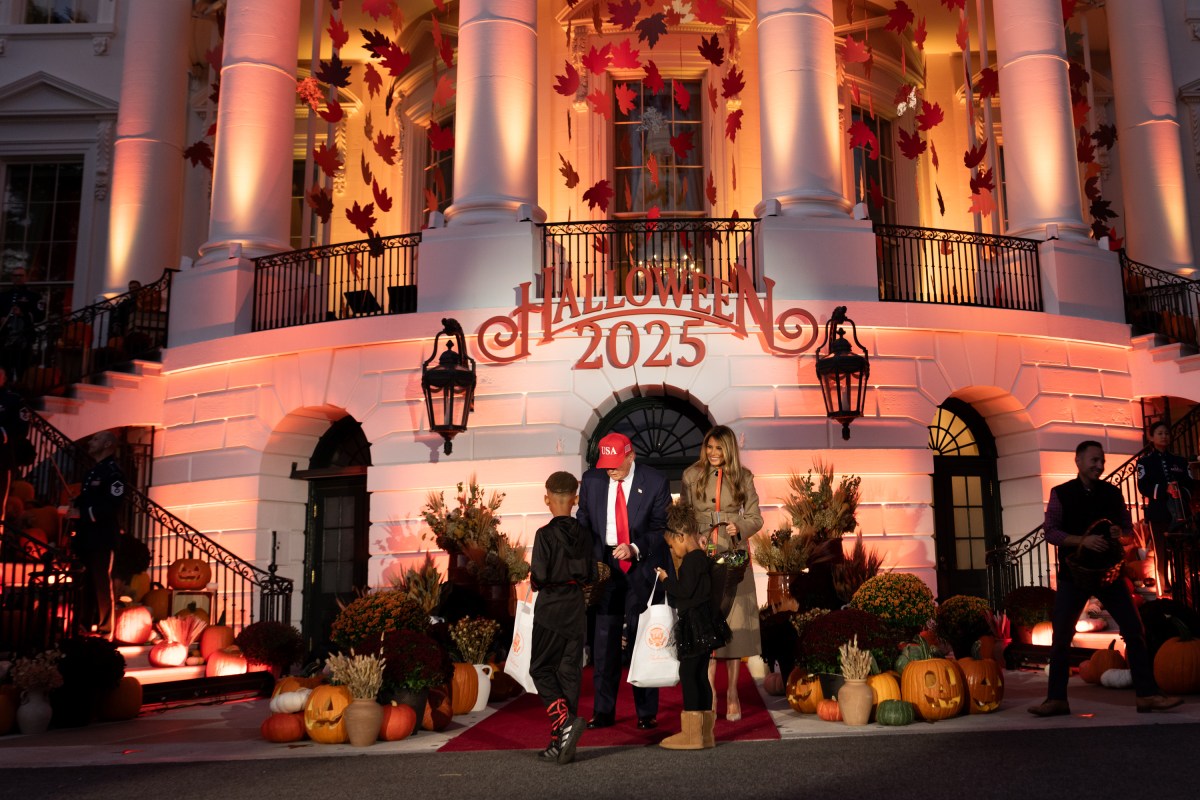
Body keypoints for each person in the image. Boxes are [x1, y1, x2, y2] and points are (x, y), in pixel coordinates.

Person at [1028, 440, 1182, 717]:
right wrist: (1082, 541)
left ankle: (1147, 695)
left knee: (1135, 630)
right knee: (1061, 635)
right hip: (1073, 574)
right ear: (1078, 461)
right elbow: (1050, 532)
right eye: (1094, 460)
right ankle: (1056, 699)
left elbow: (1125, 529)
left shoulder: (1111, 493)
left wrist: (1118, 534)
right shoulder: (1061, 493)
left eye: (1102, 461)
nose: (1099, 465)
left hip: (1109, 573)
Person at [578, 431, 671, 730]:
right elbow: (583, 522)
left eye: (616, 463)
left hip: (639, 568)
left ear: (632, 456)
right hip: (605, 568)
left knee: (641, 640)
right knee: (603, 640)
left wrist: (635, 548)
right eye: (605, 463)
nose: (610, 469)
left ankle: (646, 712)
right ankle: (603, 711)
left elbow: (661, 529)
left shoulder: (655, 482)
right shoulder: (592, 481)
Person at [681, 425, 763, 722]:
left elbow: (755, 517)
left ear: (729, 449)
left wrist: (738, 527)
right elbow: (685, 515)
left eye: (719, 448)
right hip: (703, 554)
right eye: (709, 447)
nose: (713, 454)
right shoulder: (691, 475)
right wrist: (694, 536)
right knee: (706, 624)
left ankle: (732, 693)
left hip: (733, 553)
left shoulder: (744, 476)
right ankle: (711, 693)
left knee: (735, 626)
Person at [529, 470, 596, 765]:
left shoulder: (544, 535)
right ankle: (562, 743)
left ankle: (565, 723)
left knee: (541, 669)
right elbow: (592, 573)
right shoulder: (585, 534)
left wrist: (534, 580)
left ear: (547, 499)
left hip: (550, 608)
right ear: (576, 499)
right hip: (575, 607)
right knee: (569, 672)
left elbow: (540, 577)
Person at [655, 502, 731, 750]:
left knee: (689, 674)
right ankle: (704, 732)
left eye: (671, 545)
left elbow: (684, 590)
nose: (673, 551)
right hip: (704, 623)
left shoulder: (691, 561)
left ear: (680, 536)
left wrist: (666, 580)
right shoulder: (701, 559)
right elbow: (691, 594)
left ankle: (691, 733)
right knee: (699, 674)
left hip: (696, 625)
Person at [69, 430, 126, 637]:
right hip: (87, 536)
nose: (90, 442)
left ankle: (105, 630)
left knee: (102, 583)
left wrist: (83, 512)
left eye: (95, 439)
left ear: (107, 444)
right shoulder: (94, 472)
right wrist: (75, 506)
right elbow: (89, 500)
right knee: (87, 582)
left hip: (102, 537)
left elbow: (111, 505)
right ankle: (84, 625)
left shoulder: (113, 473)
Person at [1136, 420, 1194, 592]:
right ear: (1151, 437)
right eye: (1160, 433)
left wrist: (1180, 492)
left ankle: (1185, 585)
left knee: (1183, 550)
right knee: (1161, 551)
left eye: (1166, 433)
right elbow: (1143, 486)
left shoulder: (1181, 461)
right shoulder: (1144, 462)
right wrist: (1164, 490)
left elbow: (1190, 484)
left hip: (1180, 512)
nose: (1164, 436)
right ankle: (1164, 589)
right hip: (1158, 513)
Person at [0, 267, 46, 384]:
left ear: (26, 278)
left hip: (24, 338)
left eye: (20, 275)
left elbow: (40, 316)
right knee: (4, 367)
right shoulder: (4, 296)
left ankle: (20, 392)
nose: (18, 278)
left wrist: (22, 314)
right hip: (5, 338)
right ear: (11, 278)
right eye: (15, 276)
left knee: (22, 367)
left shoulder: (34, 296)